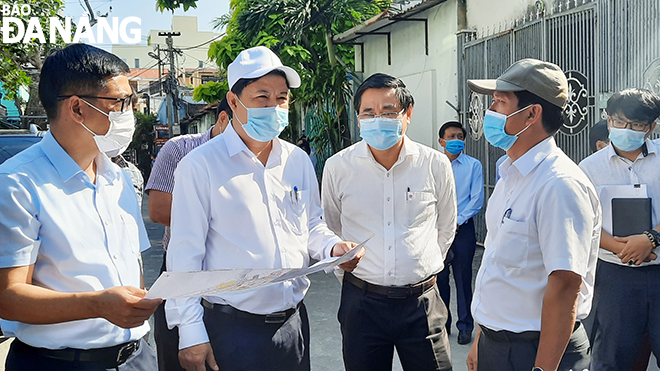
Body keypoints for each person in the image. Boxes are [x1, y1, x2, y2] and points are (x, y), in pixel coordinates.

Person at [165, 45, 362, 371]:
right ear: (233, 101)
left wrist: (333, 247)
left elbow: (311, 223)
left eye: (282, 98)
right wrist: (190, 332)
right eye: (262, 98)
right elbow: (185, 254)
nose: (274, 107)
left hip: (292, 323)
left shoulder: (296, 159)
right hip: (232, 329)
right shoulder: (201, 165)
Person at [0, 43, 161, 370]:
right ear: (76, 108)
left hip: (136, 356)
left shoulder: (119, 177)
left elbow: (135, 272)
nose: (130, 112)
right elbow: (7, 297)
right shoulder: (17, 182)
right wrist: (97, 305)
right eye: (120, 102)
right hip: (59, 362)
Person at [465, 58, 601, 371]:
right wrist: (482, 337)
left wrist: (542, 369)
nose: (491, 111)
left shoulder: (559, 184)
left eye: (499, 102)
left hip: (539, 352)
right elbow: (500, 267)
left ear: (531, 113)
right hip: (499, 345)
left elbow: (565, 285)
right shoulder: (511, 174)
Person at [322, 73, 456, 371]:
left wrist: (420, 266)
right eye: (368, 112)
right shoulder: (338, 167)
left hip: (422, 304)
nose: (377, 118)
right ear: (358, 118)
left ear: (407, 114)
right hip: (362, 303)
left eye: (388, 112)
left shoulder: (434, 164)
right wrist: (354, 278)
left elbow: (446, 226)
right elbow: (331, 227)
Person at [146, 98, 232, 371]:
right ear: (223, 119)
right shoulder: (180, 148)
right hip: (182, 270)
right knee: (181, 357)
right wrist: (217, 217)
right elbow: (159, 210)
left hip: (233, 279)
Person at [578, 88, 660, 371]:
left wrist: (652, 238)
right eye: (620, 122)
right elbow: (583, 223)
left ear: (652, 127)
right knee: (613, 357)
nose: (627, 130)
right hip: (615, 277)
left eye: (637, 125)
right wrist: (624, 249)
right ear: (609, 120)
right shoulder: (587, 169)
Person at [436, 121, 484, 345]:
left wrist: (457, 220)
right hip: (438, 230)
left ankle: (465, 326)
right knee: (440, 278)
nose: (457, 140)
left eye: (460, 136)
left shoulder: (473, 165)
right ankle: (443, 324)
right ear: (441, 141)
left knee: (463, 278)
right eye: (452, 136)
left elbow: (477, 200)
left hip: (463, 229)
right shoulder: (433, 165)